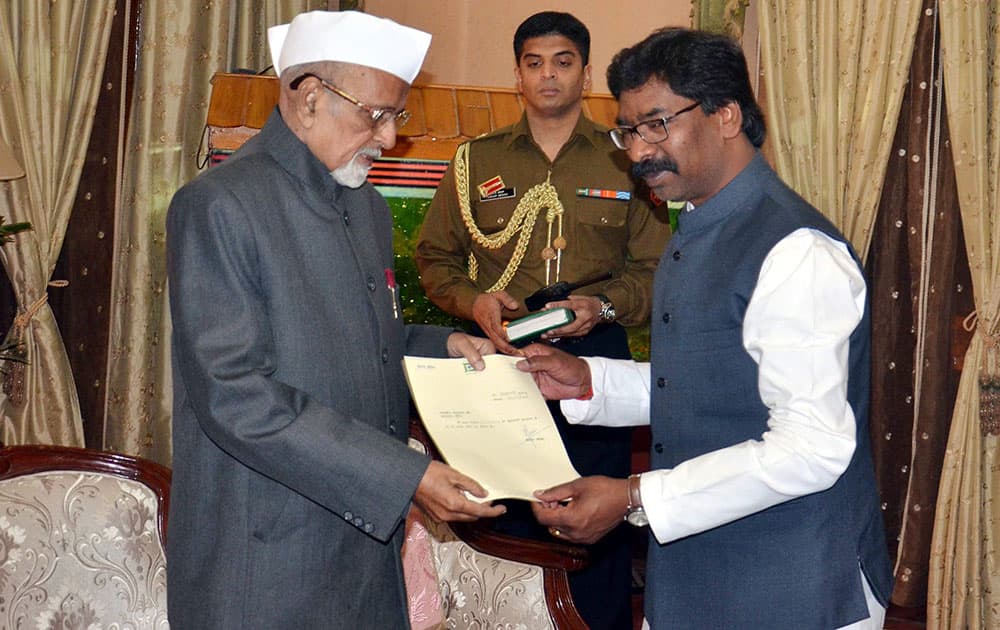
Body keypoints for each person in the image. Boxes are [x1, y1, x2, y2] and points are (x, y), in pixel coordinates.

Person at [517, 27, 894, 630]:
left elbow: (811, 448)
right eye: (628, 132)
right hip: (697, 570)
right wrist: (589, 382)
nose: (639, 152)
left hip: (791, 581)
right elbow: (711, 383)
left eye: (656, 125)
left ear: (725, 114)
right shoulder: (695, 227)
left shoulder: (796, 249)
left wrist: (635, 495)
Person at [165, 11, 504, 629]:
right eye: (376, 114)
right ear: (310, 96)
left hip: (364, 559)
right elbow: (236, 396)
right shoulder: (218, 205)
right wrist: (406, 475)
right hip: (266, 565)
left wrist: (444, 343)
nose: (391, 137)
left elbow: (360, 342)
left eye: (398, 114)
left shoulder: (366, 206)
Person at [415, 11, 669, 629]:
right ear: (517, 75)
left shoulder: (623, 160)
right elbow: (435, 258)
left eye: (562, 62)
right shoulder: (477, 160)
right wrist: (472, 302)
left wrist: (601, 307)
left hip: (592, 363)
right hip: (499, 361)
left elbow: (657, 270)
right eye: (534, 63)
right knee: (501, 509)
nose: (548, 75)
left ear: (585, 72)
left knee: (593, 519)